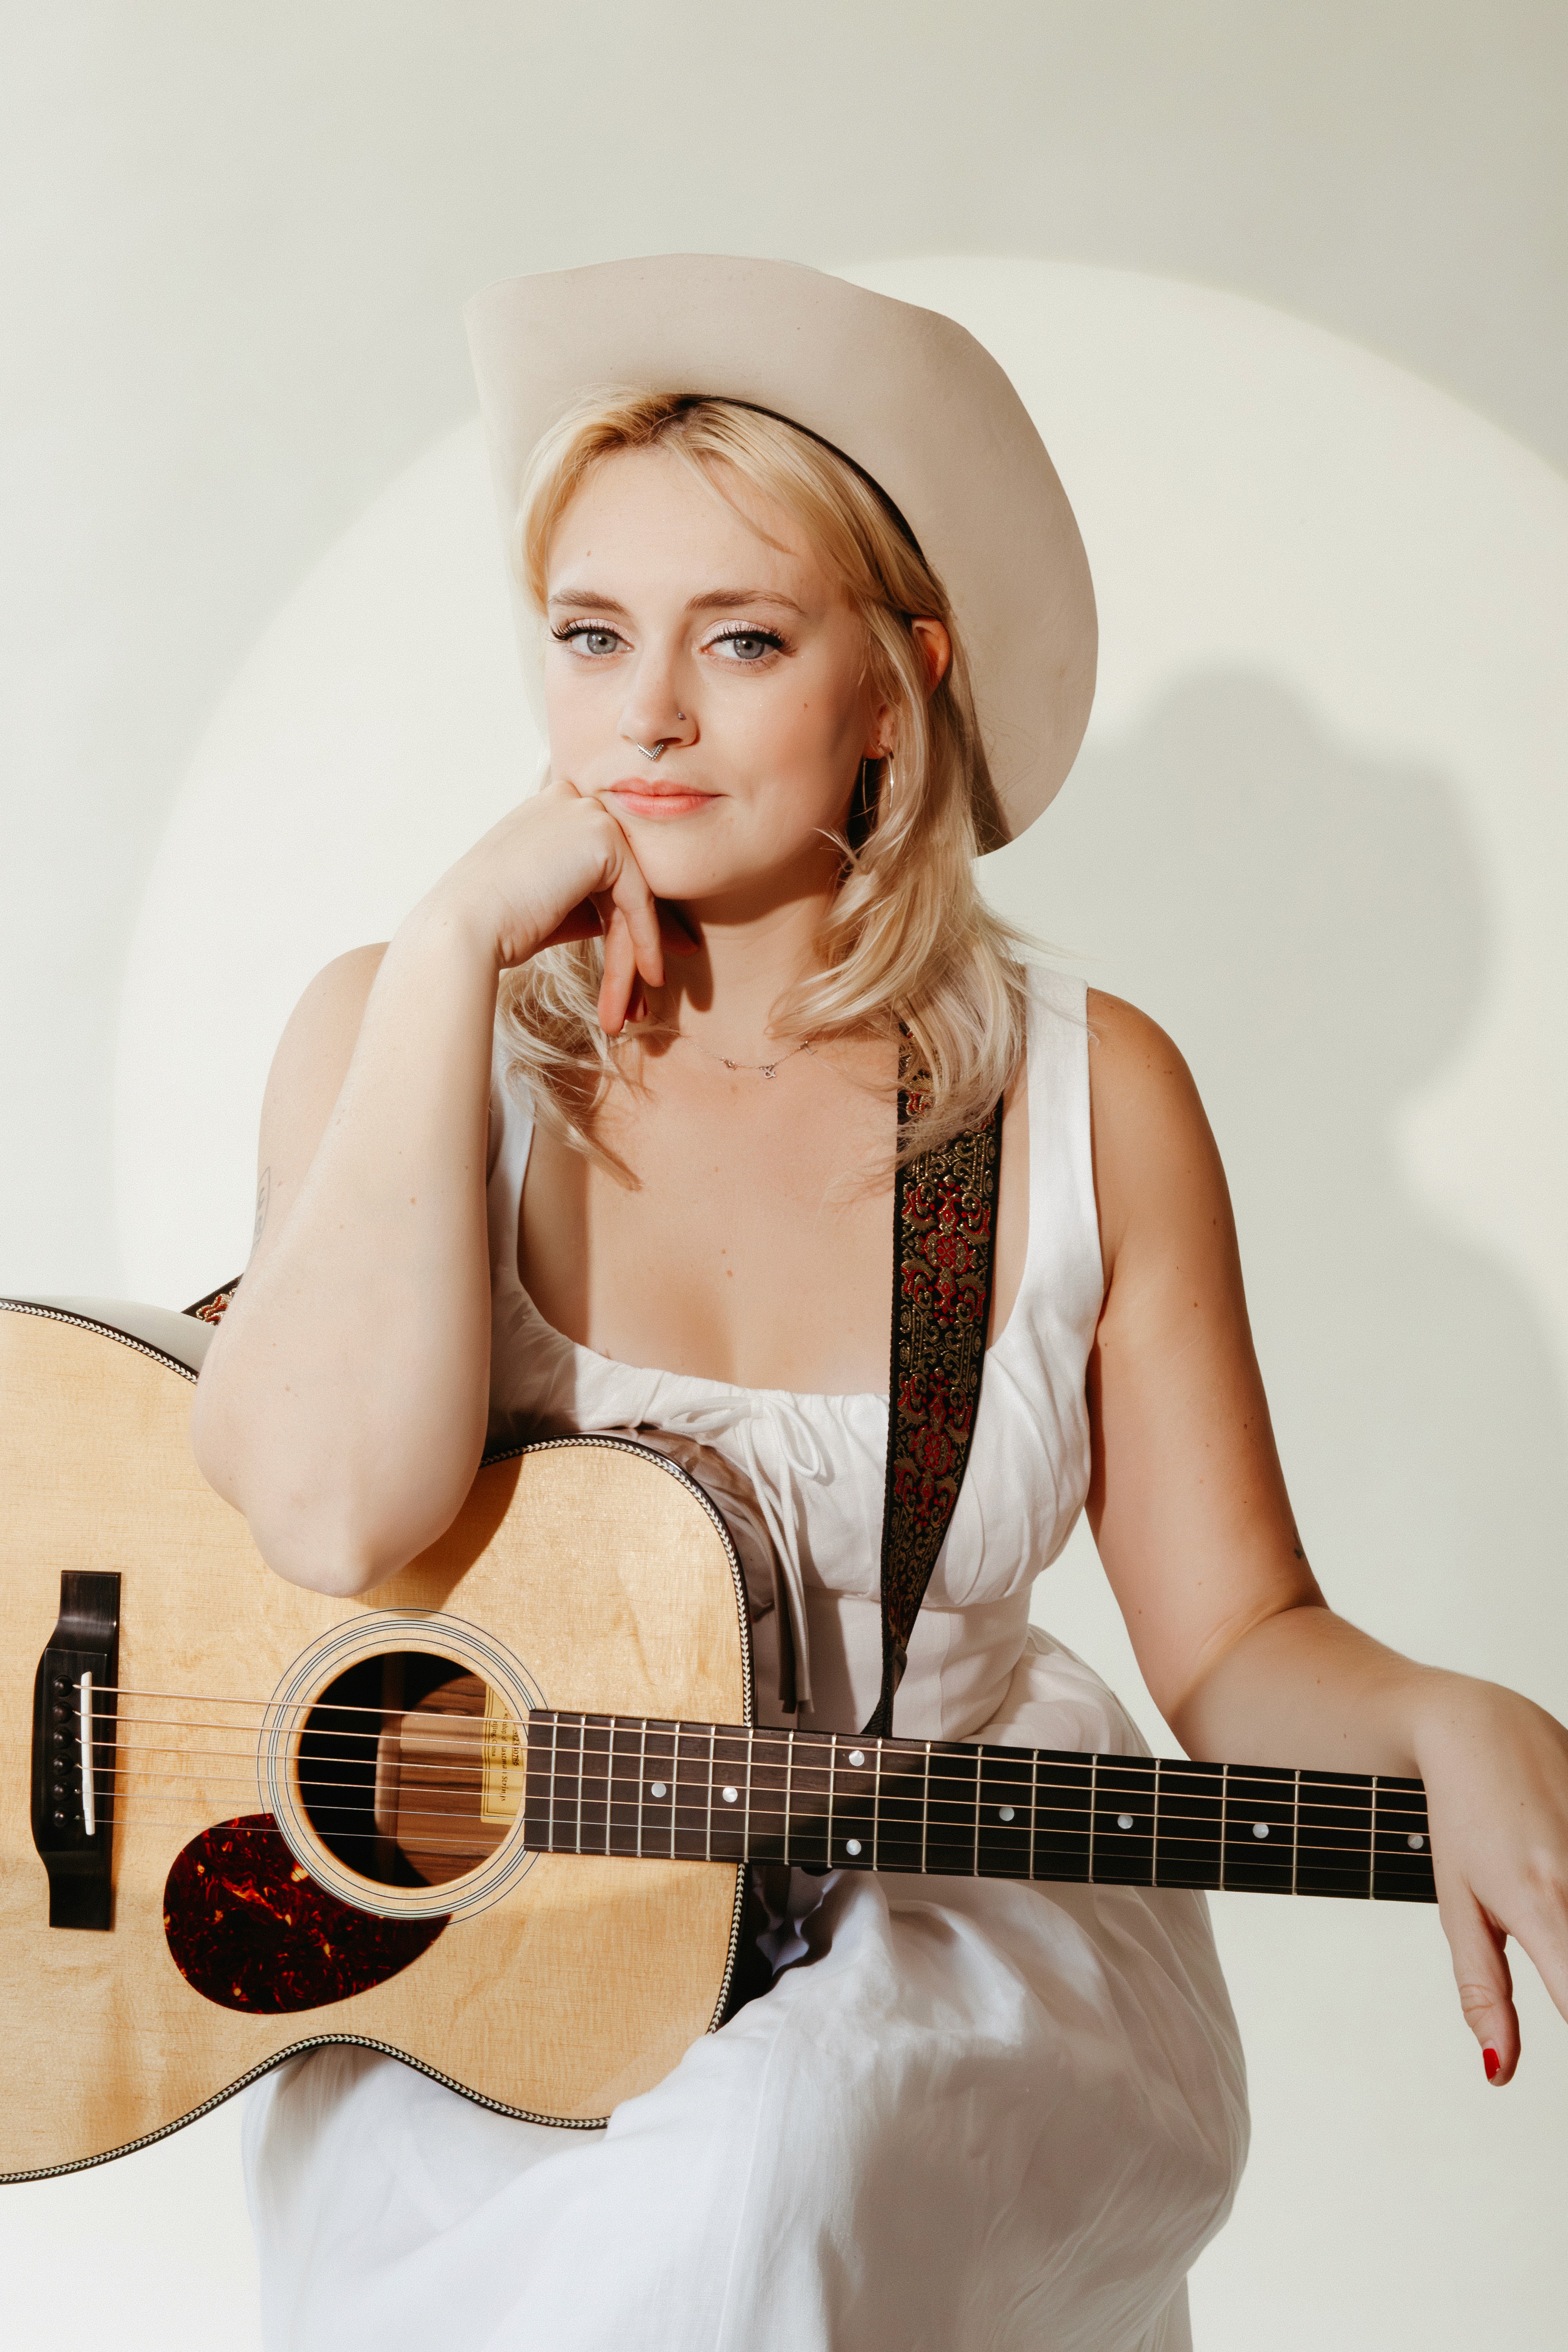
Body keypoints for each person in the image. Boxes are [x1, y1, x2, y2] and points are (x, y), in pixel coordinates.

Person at [191, 257, 1568, 2352]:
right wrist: (460, 936)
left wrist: (1439, 1718)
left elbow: (1239, 1642)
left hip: (938, 1953)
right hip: (508, 1967)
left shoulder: (1084, 1093)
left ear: (894, 683)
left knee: (783, 2154)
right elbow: (325, 1516)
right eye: (589, 638)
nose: (644, 714)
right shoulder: (402, 1032)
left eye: (739, 640)